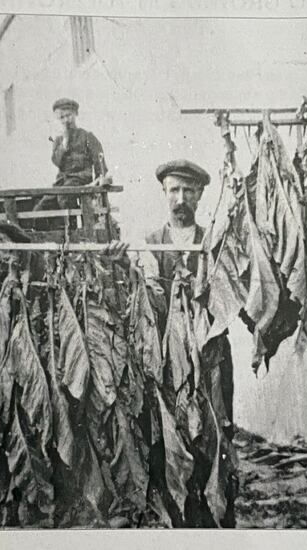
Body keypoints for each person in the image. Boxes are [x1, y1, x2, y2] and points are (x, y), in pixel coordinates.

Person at [105, 159, 237, 528]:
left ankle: (220, 525)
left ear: (199, 194)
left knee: (214, 440)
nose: (181, 198)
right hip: (169, 363)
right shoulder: (151, 243)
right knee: (172, 446)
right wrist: (124, 269)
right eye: (173, 190)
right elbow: (147, 301)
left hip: (211, 361)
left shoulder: (212, 241)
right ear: (165, 194)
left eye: (188, 190)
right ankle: (181, 526)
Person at [37, 98, 110, 229]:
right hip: (62, 182)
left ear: (75, 114)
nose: (66, 120)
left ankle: (73, 232)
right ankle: (54, 237)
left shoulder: (87, 137)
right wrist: (64, 143)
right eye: (62, 117)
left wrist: (98, 181)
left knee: (64, 198)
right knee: (41, 208)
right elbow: (56, 161)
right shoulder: (59, 140)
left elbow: (100, 163)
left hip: (81, 179)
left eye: (69, 116)